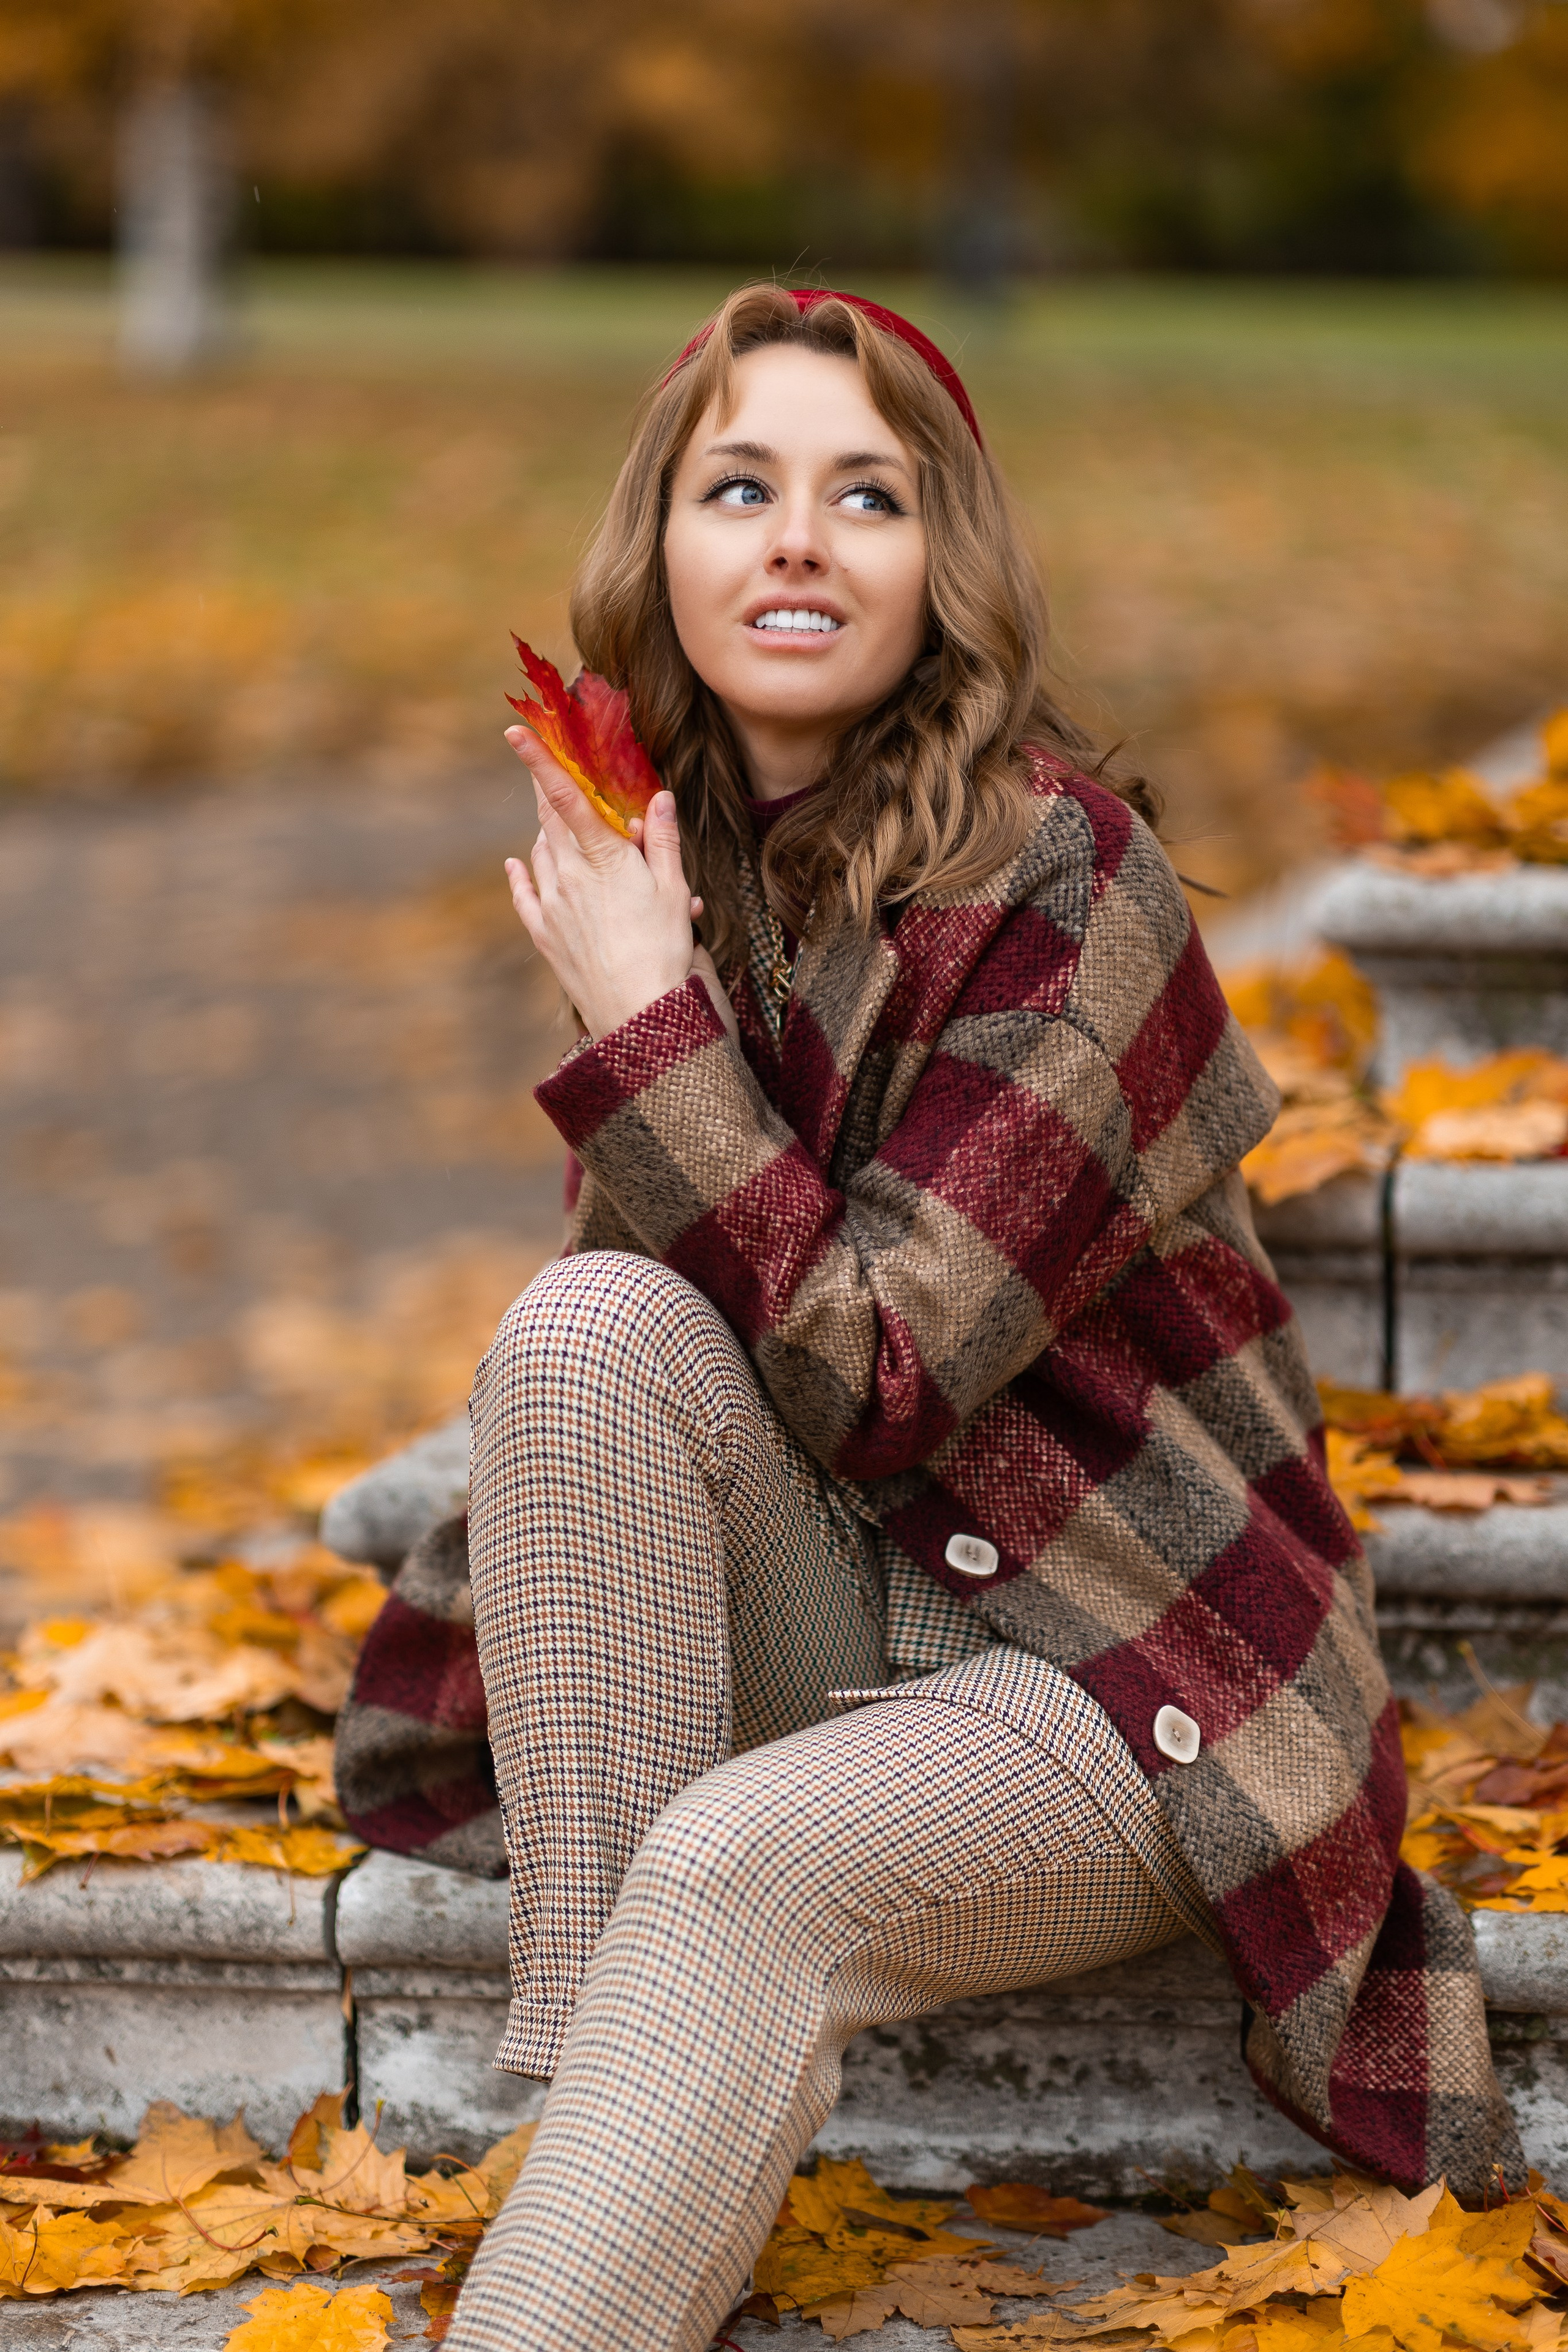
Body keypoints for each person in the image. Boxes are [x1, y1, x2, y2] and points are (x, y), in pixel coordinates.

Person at [445, 285, 1518, 2352]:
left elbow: (882, 1371)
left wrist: (645, 1031)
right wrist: (661, 992)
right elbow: (677, 1353)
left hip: (1115, 1647)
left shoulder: (1069, 885)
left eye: (868, 497)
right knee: (579, 1334)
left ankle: (607, 2220)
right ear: (655, 547)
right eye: (738, 485)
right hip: (845, 1603)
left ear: (944, 567)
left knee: (734, 1875)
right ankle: (628, 2114)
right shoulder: (675, 876)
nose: (795, 541)